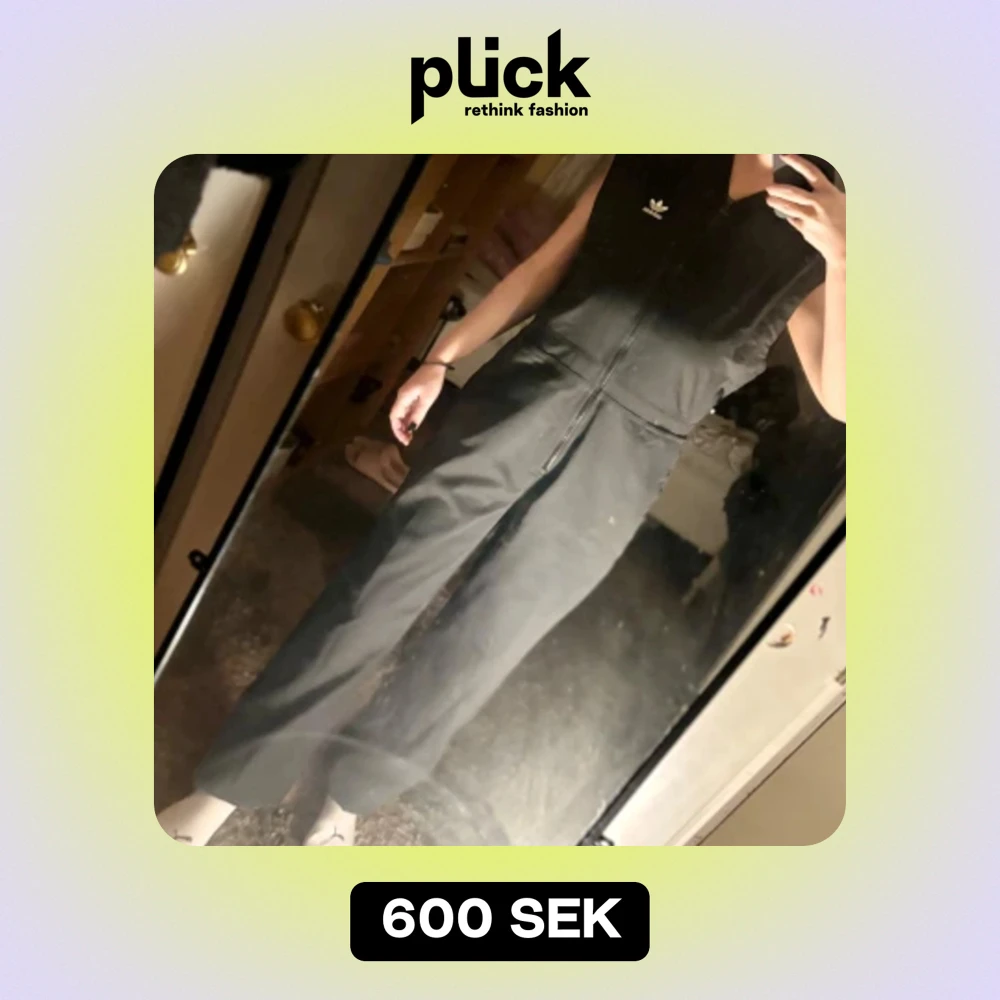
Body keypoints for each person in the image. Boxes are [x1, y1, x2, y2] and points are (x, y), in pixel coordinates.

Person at [157, 154, 847, 846]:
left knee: (488, 639)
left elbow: (841, 396)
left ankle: (354, 794)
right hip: (525, 390)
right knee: (379, 586)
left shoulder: (818, 212)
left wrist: (844, 256)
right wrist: (442, 358)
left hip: (630, 453)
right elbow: (544, 266)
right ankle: (230, 784)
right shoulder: (661, 153)